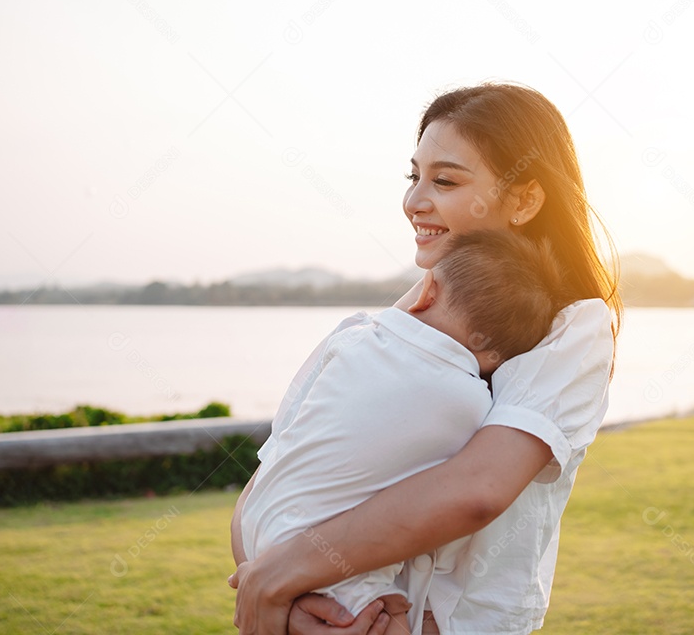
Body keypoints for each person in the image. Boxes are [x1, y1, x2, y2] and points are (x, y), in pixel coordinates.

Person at [231, 82, 622, 635]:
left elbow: (478, 489)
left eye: (445, 180)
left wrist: (280, 576)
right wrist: (279, 590)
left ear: (525, 200)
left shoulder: (574, 326)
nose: (416, 200)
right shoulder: (406, 317)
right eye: (413, 176)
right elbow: (284, 466)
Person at [234, 230, 567, 635]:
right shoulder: (476, 406)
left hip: (256, 528)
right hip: (328, 565)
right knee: (387, 621)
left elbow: (282, 444)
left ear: (426, 291)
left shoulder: (353, 337)